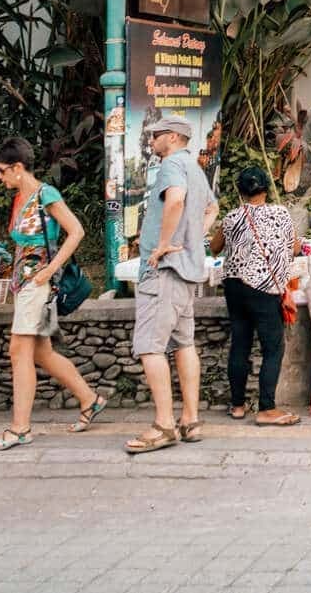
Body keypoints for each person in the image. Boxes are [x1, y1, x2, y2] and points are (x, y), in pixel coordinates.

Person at [0, 137, 105, 451]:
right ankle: (90, 400)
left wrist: (49, 271)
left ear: (18, 167)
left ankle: (20, 428)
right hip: (24, 284)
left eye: (1, 171)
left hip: (37, 284)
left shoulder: (44, 194)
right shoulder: (19, 197)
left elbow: (76, 230)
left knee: (18, 352)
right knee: (41, 353)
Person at [126, 115, 215, 456]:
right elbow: (211, 208)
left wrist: (164, 243)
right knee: (184, 343)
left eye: (157, 134)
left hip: (163, 272)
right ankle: (190, 419)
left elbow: (175, 200)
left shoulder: (172, 165)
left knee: (150, 346)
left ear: (174, 137)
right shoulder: (195, 167)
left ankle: (164, 424)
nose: (151, 139)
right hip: (186, 272)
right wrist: (194, 240)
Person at [211, 166, 300, 425]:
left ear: (240, 191)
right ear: (267, 188)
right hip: (262, 288)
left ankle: (238, 406)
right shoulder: (280, 213)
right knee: (273, 347)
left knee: (240, 344)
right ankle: (266, 409)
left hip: (234, 287)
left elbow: (215, 248)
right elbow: (294, 247)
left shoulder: (231, 217)